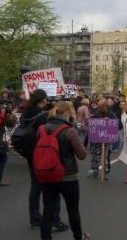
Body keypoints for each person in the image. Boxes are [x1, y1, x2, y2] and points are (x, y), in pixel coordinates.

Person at [39, 101, 90, 240]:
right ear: (68, 113)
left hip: (48, 174)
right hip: (68, 176)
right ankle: (78, 237)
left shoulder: (42, 128)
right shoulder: (69, 130)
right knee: (72, 210)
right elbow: (82, 155)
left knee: (48, 211)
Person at [21, 89, 69, 232]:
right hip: (44, 153)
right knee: (53, 186)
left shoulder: (26, 113)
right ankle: (54, 219)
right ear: (42, 101)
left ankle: (34, 219)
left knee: (35, 186)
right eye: (46, 100)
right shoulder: (43, 116)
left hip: (30, 154)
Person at [88, 99, 116, 179]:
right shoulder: (96, 113)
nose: (99, 109)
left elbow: (115, 124)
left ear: (105, 106)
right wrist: (91, 119)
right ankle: (94, 172)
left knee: (105, 157)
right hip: (96, 139)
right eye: (98, 107)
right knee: (95, 156)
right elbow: (92, 124)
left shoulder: (111, 114)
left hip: (106, 139)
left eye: (101, 107)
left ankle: (105, 173)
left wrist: (109, 121)